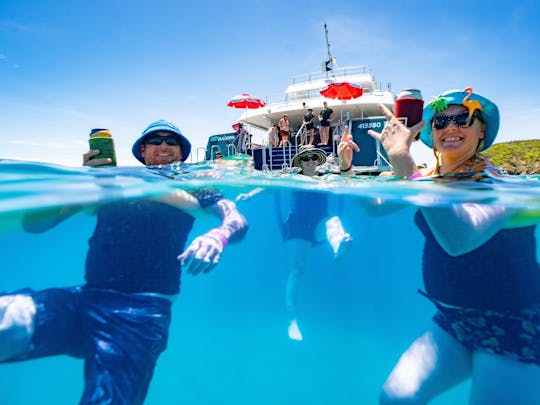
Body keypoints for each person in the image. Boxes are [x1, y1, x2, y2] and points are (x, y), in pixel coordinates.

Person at [0, 119, 248, 405]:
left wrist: (218, 236)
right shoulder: (111, 181)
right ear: (143, 150)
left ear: (182, 152)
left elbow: (236, 219)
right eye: (155, 141)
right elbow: (36, 225)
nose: (164, 146)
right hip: (85, 299)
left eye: (172, 142)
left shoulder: (192, 185)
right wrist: (83, 184)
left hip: (140, 312)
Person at [339, 89, 540, 403]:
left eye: (462, 118)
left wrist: (405, 163)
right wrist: (346, 169)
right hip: (454, 321)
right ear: (430, 131)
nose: (450, 126)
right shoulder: (430, 177)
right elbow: (374, 207)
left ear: (482, 129)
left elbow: (460, 240)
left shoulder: (497, 182)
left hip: (514, 324)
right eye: (441, 120)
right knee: (395, 398)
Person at [283, 145, 352, 341]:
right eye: (306, 158)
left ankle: (339, 244)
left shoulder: (327, 177)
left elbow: (346, 180)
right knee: (298, 269)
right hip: (297, 227)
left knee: (334, 221)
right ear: (300, 163)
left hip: (318, 225)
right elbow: (265, 187)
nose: (311, 161)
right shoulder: (292, 178)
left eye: (314, 157)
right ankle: (292, 320)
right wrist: (251, 194)